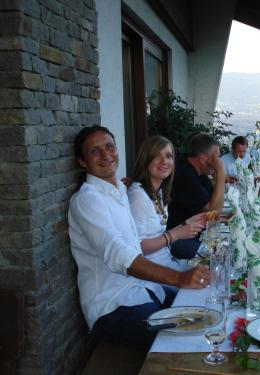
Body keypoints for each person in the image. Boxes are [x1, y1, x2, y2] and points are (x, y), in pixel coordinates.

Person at [68, 126, 210, 350]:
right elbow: (120, 255)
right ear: (82, 161)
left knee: (206, 308)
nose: (106, 155)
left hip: (144, 291)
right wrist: (178, 278)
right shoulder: (87, 200)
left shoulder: (120, 192)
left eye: (109, 147)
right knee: (184, 342)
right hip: (114, 306)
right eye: (94, 151)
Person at [128, 136, 207, 271]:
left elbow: (158, 233)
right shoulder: (138, 195)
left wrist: (186, 224)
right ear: (146, 160)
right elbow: (136, 248)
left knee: (213, 264)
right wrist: (175, 234)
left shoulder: (159, 193)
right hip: (152, 273)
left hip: (168, 262)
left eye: (169, 156)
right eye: (157, 156)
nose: (164, 161)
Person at [167, 133, 225, 230]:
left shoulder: (200, 172)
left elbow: (216, 212)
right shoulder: (182, 173)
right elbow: (210, 211)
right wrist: (221, 173)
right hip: (178, 237)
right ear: (202, 159)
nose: (218, 163)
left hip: (196, 231)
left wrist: (219, 177)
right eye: (216, 158)